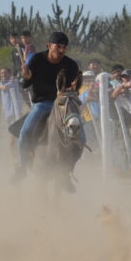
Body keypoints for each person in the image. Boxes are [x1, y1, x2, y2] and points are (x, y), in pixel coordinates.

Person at [13, 32, 81, 181]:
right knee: (25, 132)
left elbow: (73, 88)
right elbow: (25, 85)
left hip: (63, 103)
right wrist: (27, 78)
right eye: (58, 46)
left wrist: (72, 90)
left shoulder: (71, 65)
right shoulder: (37, 60)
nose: (61, 50)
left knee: (82, 136)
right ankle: (22, 166)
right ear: (49, 46)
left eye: (64, 47)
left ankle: (67, 172)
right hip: (43, 103)